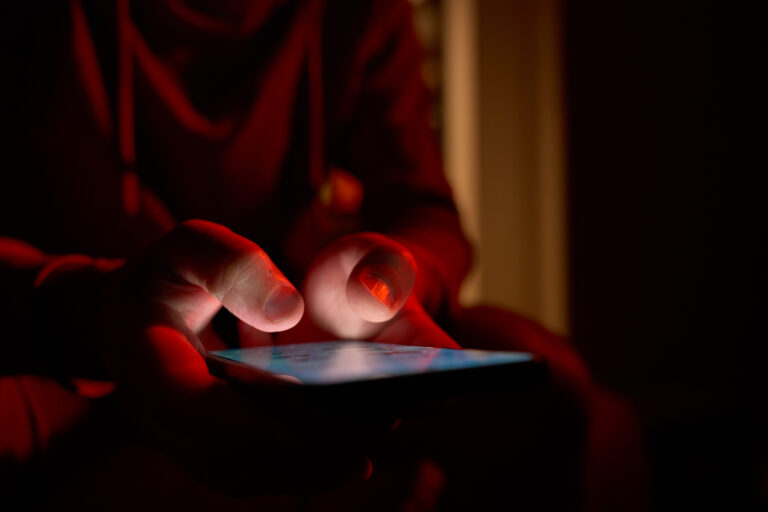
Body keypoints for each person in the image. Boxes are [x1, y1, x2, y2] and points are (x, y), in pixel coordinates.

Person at [0, 0, 647, 509]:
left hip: (300, 333)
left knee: (556, 394)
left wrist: (394, 278)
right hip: (81, 342)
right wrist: (89, 306)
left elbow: (425, 208)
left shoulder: (355, 10)